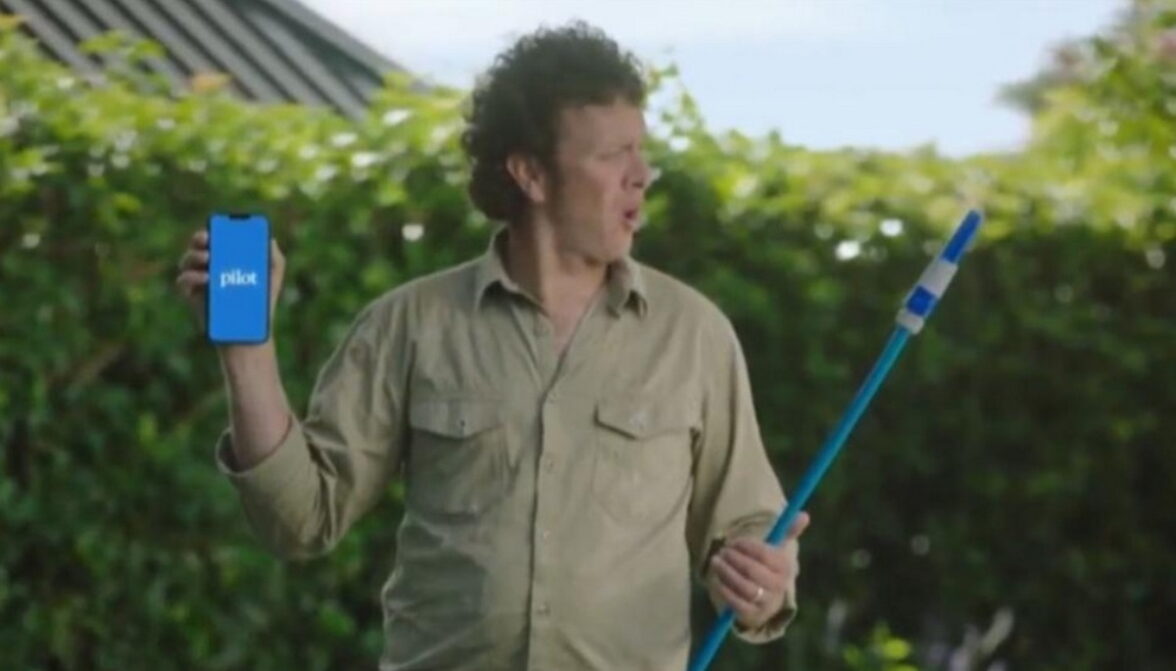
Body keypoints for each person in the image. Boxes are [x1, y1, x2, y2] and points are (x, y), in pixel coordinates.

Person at [175, 20, 810, 671]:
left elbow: (749, 533)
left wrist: (760, 583)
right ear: (531, 173)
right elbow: (300, 519)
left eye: (641, 150)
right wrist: (246, 351)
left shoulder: (695, 335)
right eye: (612, 154)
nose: (641, 174)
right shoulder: (410, 324)